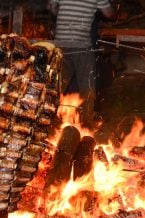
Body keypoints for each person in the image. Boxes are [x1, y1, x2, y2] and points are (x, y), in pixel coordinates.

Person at [48, 0, 116, 129]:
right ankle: (87, 121)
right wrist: (115, 13)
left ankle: (48, 115)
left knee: (57, 82)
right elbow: (108, 14)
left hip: (61, 42)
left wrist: (65, 17)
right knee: (87, 82)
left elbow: (51, 7)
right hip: (81, 44)